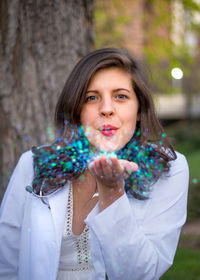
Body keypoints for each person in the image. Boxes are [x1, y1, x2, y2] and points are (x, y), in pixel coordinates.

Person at [0, 48, 189, 280]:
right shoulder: (33, 164)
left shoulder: (169, 169)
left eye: (121, 96)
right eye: (91, 98)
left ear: (139, 109)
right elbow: (6, 263)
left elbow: (141, 274)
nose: (107, 109)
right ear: (77, 110)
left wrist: (112, 195)